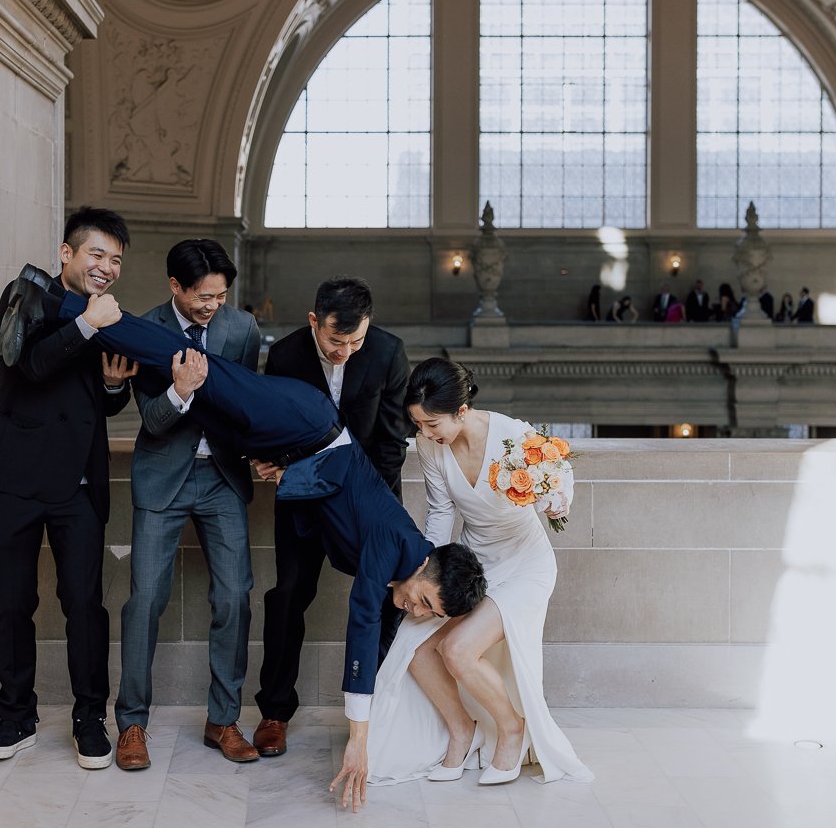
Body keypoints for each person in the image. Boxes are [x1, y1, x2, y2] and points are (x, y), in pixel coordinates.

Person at [47, 285, 486, 812]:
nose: (416, 610)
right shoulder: (394, 550)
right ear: (430, 569)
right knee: (195, 367)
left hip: (299, 447)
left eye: (425, 613)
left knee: (195, 388)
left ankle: (69, 317)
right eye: (426, 602)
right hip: (306, 424)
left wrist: (290, 471)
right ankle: (65, 305)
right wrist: (358, 742)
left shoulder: (408, 568)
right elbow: (362, 621)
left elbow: (382, 632)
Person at [365, 359, 594, 788]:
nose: (426, 434)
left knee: (457, 650)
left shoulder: (513, 436)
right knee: (417, 650)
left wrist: (555, 501)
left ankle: (511, 727)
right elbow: (440, 512)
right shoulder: (431, 447)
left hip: (525, 565)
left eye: (432, 424)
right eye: (418, 424)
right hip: (474, 564)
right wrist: (426, 570)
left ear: (461, 411)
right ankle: (461, 729)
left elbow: (559, 479)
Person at [0, 207, 138, 768]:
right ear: (67, 253)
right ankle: (15, 717)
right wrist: (89, 324)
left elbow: (94, 402)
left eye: (116, 259)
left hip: (80, 483)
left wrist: (114, 387)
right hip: (15, 478)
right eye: (97, 254)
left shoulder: (102, 315)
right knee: (11, 603)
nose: (107, 267)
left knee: (85, 606)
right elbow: (31, 367)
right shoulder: (24, 296)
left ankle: (90, 719)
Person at [114, 240, 262, 771]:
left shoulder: (242, 330)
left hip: (222, 478)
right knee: (145, 601)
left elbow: (244, 404)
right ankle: (132, 723)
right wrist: (179, 392)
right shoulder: (143, 328)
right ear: (175, 287)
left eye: (221, 296)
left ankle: (223, 719)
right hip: (163, 480)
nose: (212, 306)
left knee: (235, 598)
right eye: (203, 296)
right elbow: (151, 421)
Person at [255, 277, 410, 758]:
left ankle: (380, 708)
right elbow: (273, 426)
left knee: (388, 600)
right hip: (302, 499)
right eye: (335, 340)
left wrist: (366, 508)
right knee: (288, 596)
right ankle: (275, 712)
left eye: (356, 340)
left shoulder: (388, 353)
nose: (345, 350)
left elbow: (389, 445)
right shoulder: (285, 356)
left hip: (368, 501)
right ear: (313, 322)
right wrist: (272, 462)